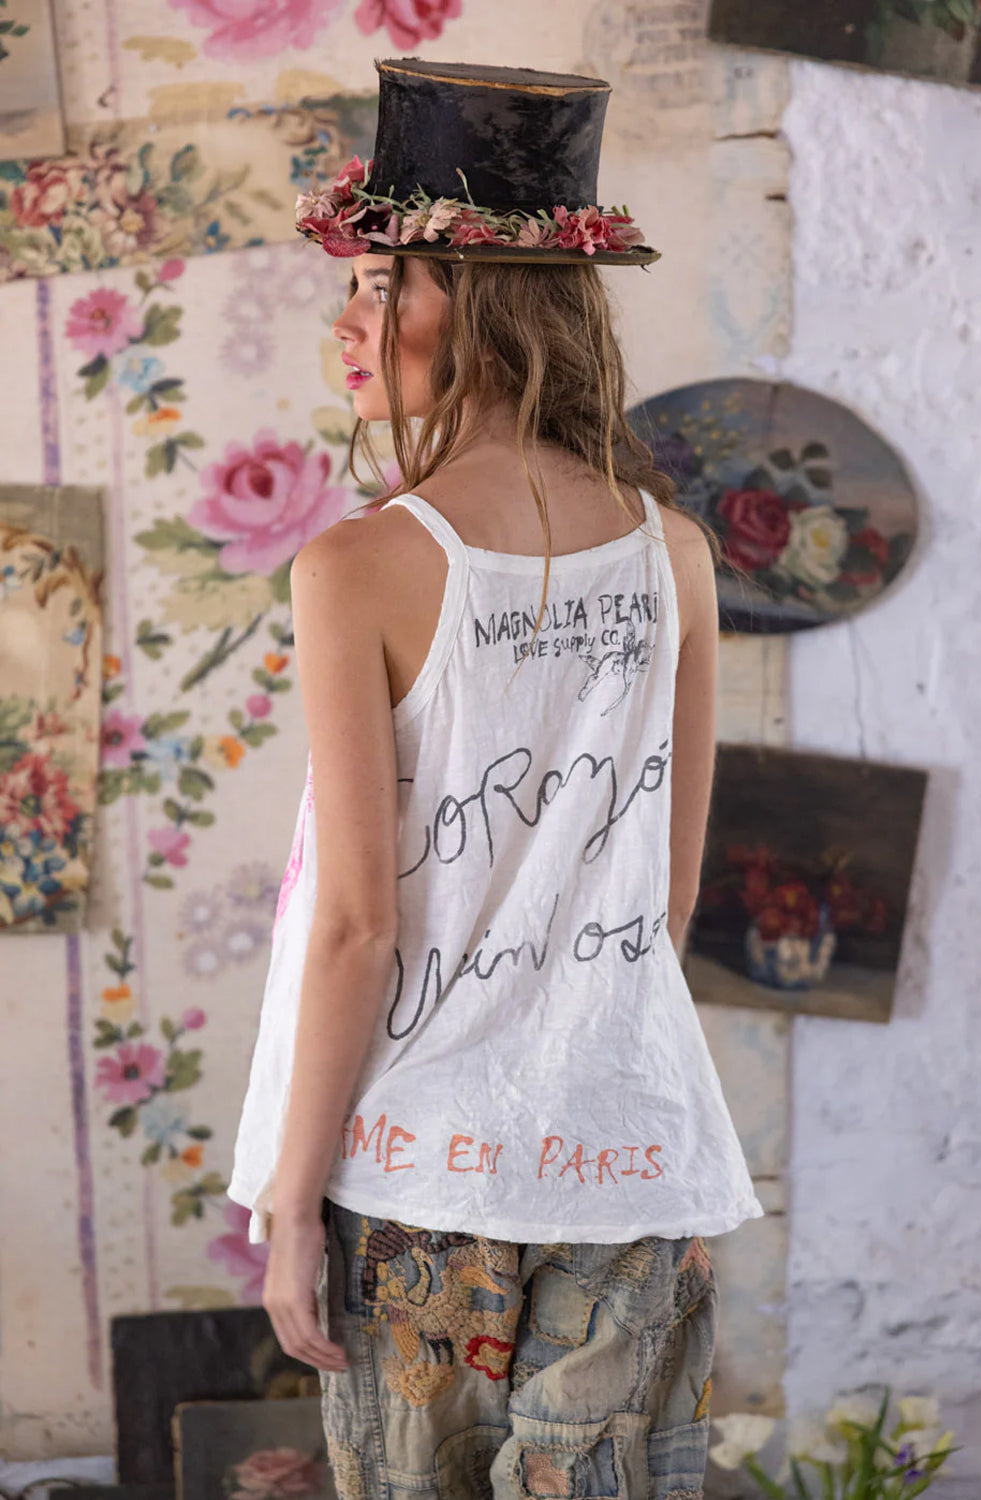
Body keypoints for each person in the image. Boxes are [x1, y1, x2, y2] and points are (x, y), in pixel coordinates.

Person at [227, 58, 763, 1499]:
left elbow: (358, 927)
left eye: (380, 285)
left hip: (418, 1176)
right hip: (634, 1153)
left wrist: (290, 1200)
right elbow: (666, 899)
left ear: (482, 306)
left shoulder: (356, 566)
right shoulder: (678, 555)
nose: (347, 325)